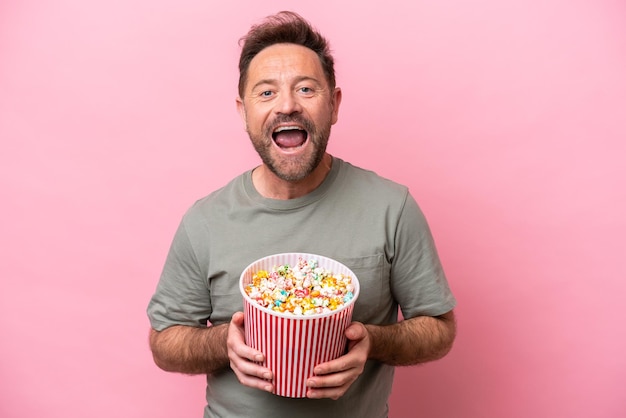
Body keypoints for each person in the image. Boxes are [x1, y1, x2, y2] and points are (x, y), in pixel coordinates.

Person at [147, 10, 457, 418]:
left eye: (306, 89)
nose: (287, 105)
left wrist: (372, 342)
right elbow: (164, 342)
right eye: (266, 93)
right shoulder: (204, 221)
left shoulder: (391, 207)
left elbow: (439, 328)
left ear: (334, 104)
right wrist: (224, 342)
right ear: (243, 112)